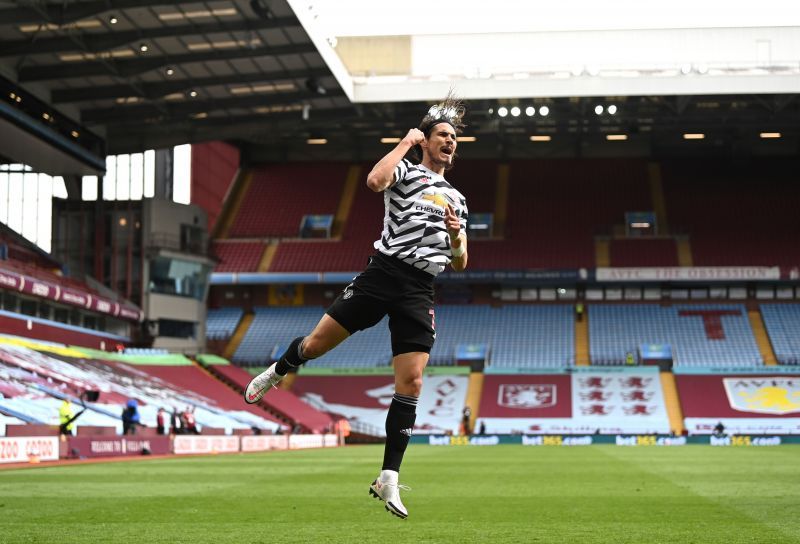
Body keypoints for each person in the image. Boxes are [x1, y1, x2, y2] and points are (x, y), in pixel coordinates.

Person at [245, 93, 469, 519]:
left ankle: (388, 477)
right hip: (382, 275)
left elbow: (460, 261)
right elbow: (373, 182)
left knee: (414, 382)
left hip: (420, 288)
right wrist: (405, 143)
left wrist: (457, 236)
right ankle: (277, 372)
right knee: (314, 346)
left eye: (454, 138)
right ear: (426, 141)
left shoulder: (457, 198)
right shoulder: (405, 169)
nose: (450, 142)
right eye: (443, 135)